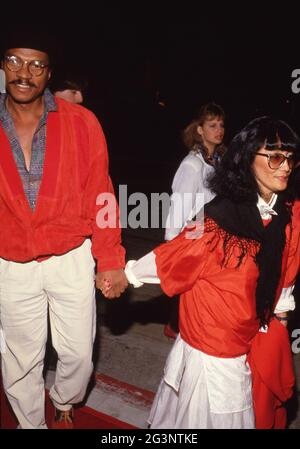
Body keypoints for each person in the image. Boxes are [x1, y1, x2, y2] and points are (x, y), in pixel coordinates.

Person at [123, 116, 300, 429]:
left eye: (289, 158)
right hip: (215, 349)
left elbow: (286, 267)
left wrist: (280, 319)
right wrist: (126, 276)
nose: (284, 166)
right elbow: (174, 255)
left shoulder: (284, 214)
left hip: (250, 337)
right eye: (274, 156)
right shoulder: (215, 221)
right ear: (248, 160)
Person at [0, 33, 127, 429]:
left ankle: (66, 399)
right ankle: (31, 424)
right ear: (3, 66)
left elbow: (102, 193)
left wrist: (110, 259)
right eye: (15, 61)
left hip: (71, 257)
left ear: (49, 73)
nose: (25, 72)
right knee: (20, 356)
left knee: (78, 355)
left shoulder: (81, 122)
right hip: (11, 263)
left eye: (36, 64)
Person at [164, 102, 226, 338]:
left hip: (211, 236)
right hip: (194, 237)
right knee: (190, 293)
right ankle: (177, 328)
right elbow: (179, 207)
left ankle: (181, 326)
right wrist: (172, 247)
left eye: (221, 124)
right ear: (199, 129)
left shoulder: (216, 161)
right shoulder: (192, 165)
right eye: (212, 125)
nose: (219, 130)